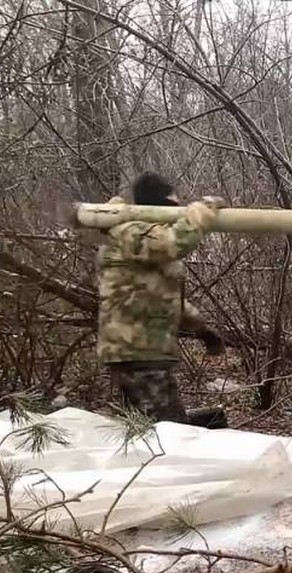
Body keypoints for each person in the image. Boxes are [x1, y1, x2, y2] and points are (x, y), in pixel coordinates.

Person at [97, 172, 225, 424]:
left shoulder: (140, 241)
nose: (174, 214)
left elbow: (161, 296)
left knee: (151, 429)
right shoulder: (129, 231)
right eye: (171, 208)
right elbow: (173, 243)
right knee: (169, 432)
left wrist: (202, 328)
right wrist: (203, 210)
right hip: (136, 352)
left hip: (143, 351)